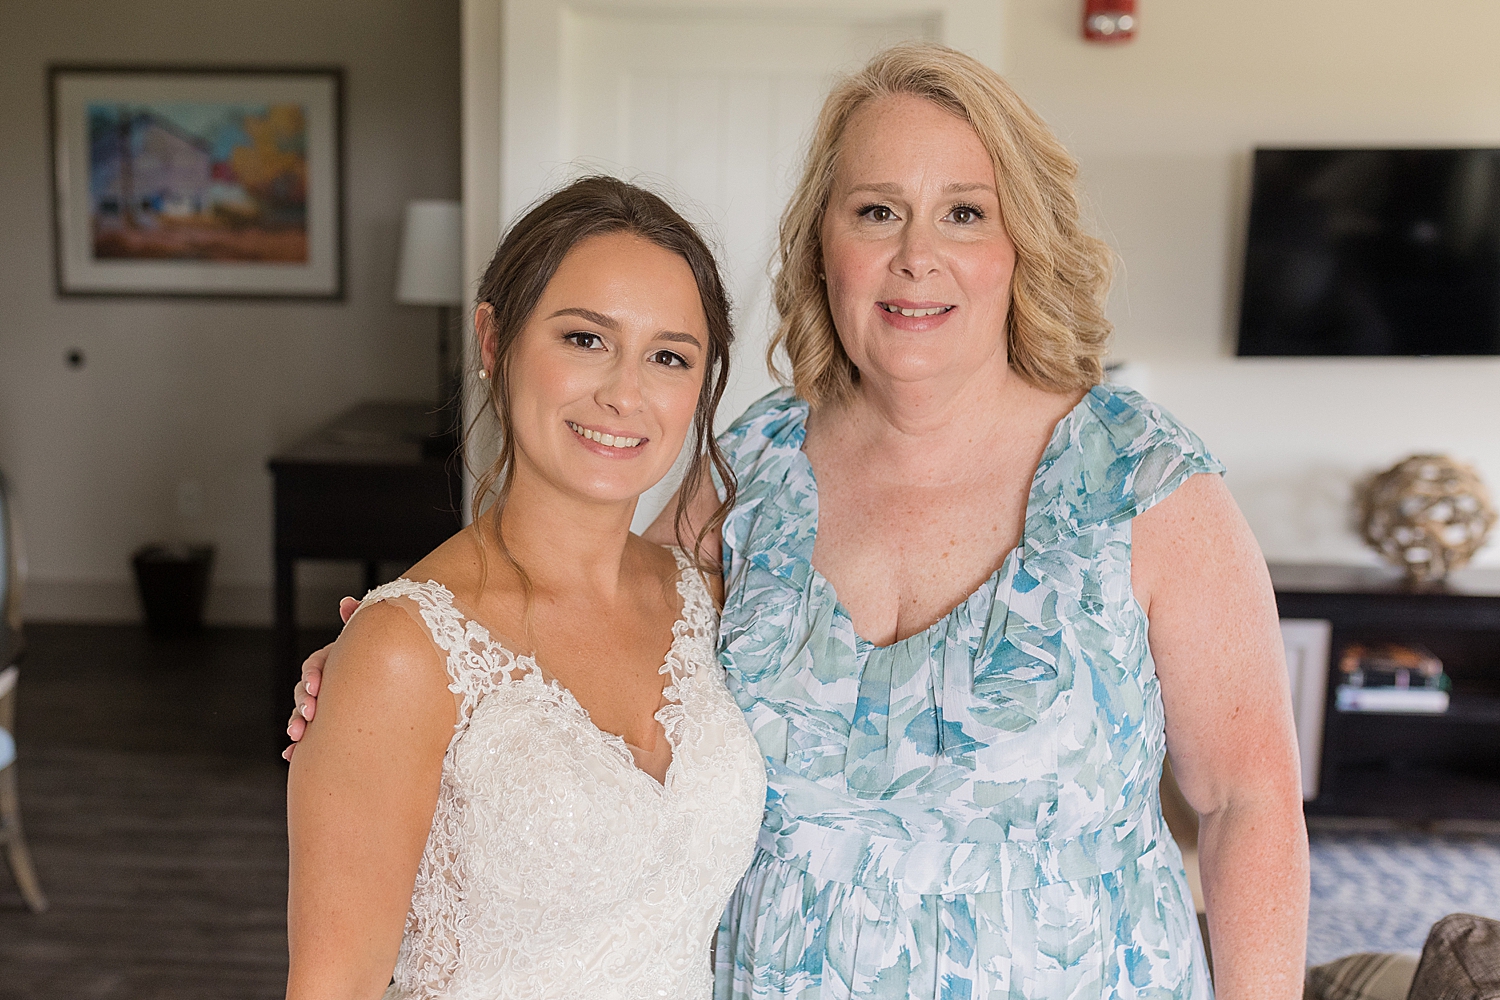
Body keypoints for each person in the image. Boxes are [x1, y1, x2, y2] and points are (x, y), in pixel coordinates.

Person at [291, 43, 1310, 999]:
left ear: (1021, 244)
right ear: (824, 244)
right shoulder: (751, 473)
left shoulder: (1142, 482)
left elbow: (1248, 803)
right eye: (875, 211)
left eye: (964, 213)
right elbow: (566, 643)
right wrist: (381, 668)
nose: (918, 257)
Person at [283, 176, 767, 1000]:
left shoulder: (709, 602)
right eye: (585, 339)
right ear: (494, 341)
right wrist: (370, 664)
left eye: (670, 356)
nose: (625, 393)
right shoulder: (403, 650)